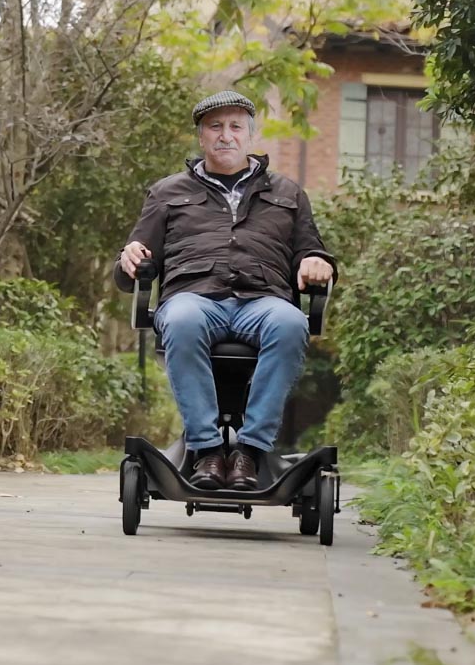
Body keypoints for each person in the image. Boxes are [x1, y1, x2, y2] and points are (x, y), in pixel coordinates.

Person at [115, 91, 336, 492]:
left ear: (250, 136)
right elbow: (132, 263)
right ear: (201, 137)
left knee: (289, 323)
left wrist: (316, 261)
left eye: (236, 127)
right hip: (194, 299)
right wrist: (129, 258)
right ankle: (207, 451)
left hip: (264, 302)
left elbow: (311, 250)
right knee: (181, 319)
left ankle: (250, 452)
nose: (225, 136)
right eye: (215, 127)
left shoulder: (287, 193)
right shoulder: (166, 192)